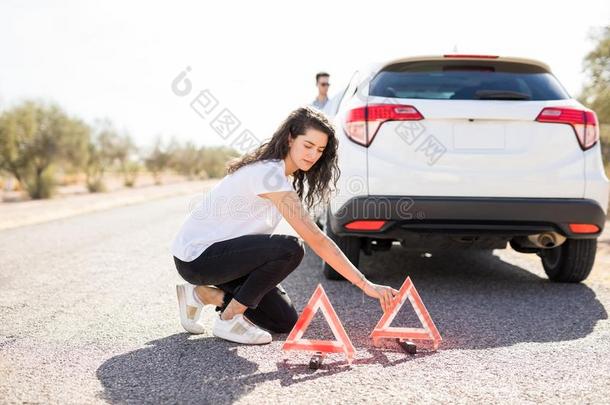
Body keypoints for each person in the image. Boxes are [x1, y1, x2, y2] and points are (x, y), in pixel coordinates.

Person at [171, 106, 398, 345]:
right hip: (197, 258)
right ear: (290, 138)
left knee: (283, 321)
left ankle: (201, 294)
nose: (313, 155)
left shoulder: (282, 175)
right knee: (290, 248)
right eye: (308, 145)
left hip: (225, 258)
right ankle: (228, 319)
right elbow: (316, 238)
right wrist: (365, 284)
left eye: (320, 150)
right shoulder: (269, 174)